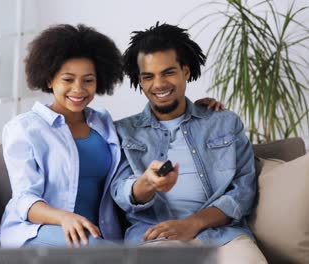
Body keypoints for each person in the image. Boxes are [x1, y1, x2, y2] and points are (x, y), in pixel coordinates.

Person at [0, 23, 223, 248]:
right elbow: (25, 199)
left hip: (95, 235)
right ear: (49, 79)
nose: (79, 89)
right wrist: (64, 218)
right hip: (38, 232)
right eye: (68, 79)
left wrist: (197, 110)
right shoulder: (24, 129)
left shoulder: (103, 123)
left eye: (88, 80)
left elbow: (146, 130)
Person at [111, 22, 267, 263]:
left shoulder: (224, 122)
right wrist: (146, 184)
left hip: (222, 236)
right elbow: (120, 191)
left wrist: (193, 223)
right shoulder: (123, 132)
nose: (159, 84)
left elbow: (243, 190)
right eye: (148, 77)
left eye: (168, 72)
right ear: (139, 81)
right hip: (155, 236)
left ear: (185, 70)